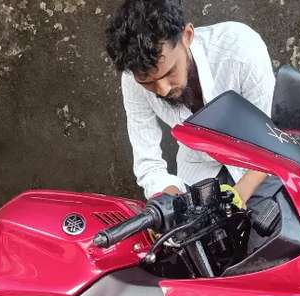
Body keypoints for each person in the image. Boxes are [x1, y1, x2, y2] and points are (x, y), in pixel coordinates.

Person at [104, 0, 275, 205]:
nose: (163, 89)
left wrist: (236, 198)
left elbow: (272, 137)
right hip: (198, 168)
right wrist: (169, 198)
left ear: (187, 36)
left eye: (169, 72)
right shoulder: (132, 80)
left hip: (259, 163)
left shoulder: (241, 47)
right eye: (148, 83)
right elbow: (148, 162)